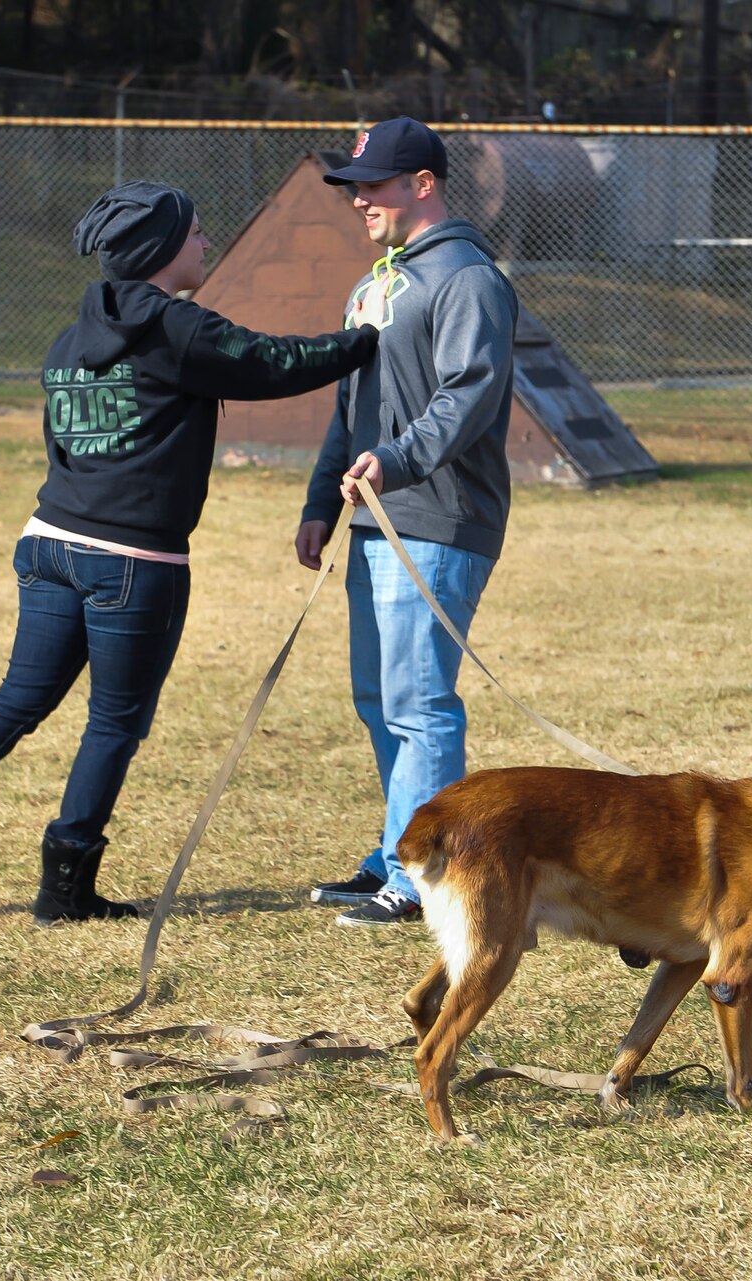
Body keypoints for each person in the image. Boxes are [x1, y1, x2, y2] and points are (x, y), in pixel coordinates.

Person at [0, 181, 379, 926]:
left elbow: (60, 441)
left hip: (48, 541)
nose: (207, 242)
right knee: (115, 721)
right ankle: (65, 888)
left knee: (19, 698)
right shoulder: (179, 329)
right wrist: (367, 339)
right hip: (133, 562)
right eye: (197, 232)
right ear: (163, 250)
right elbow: (272, 363)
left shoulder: (70, 337)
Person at [294, 118, 518, 927]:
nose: (359, 199)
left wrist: (396, 458)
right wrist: (323, 501)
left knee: (420, 702)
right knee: (377, 696)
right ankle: (396, 850)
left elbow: (469, 395)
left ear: (423, 183)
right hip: (372, 521)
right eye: (355, 184)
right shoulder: (374, 284)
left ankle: (427, 868)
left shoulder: (468, 277)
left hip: (438, 518)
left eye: (375, 183)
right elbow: (348, 407)